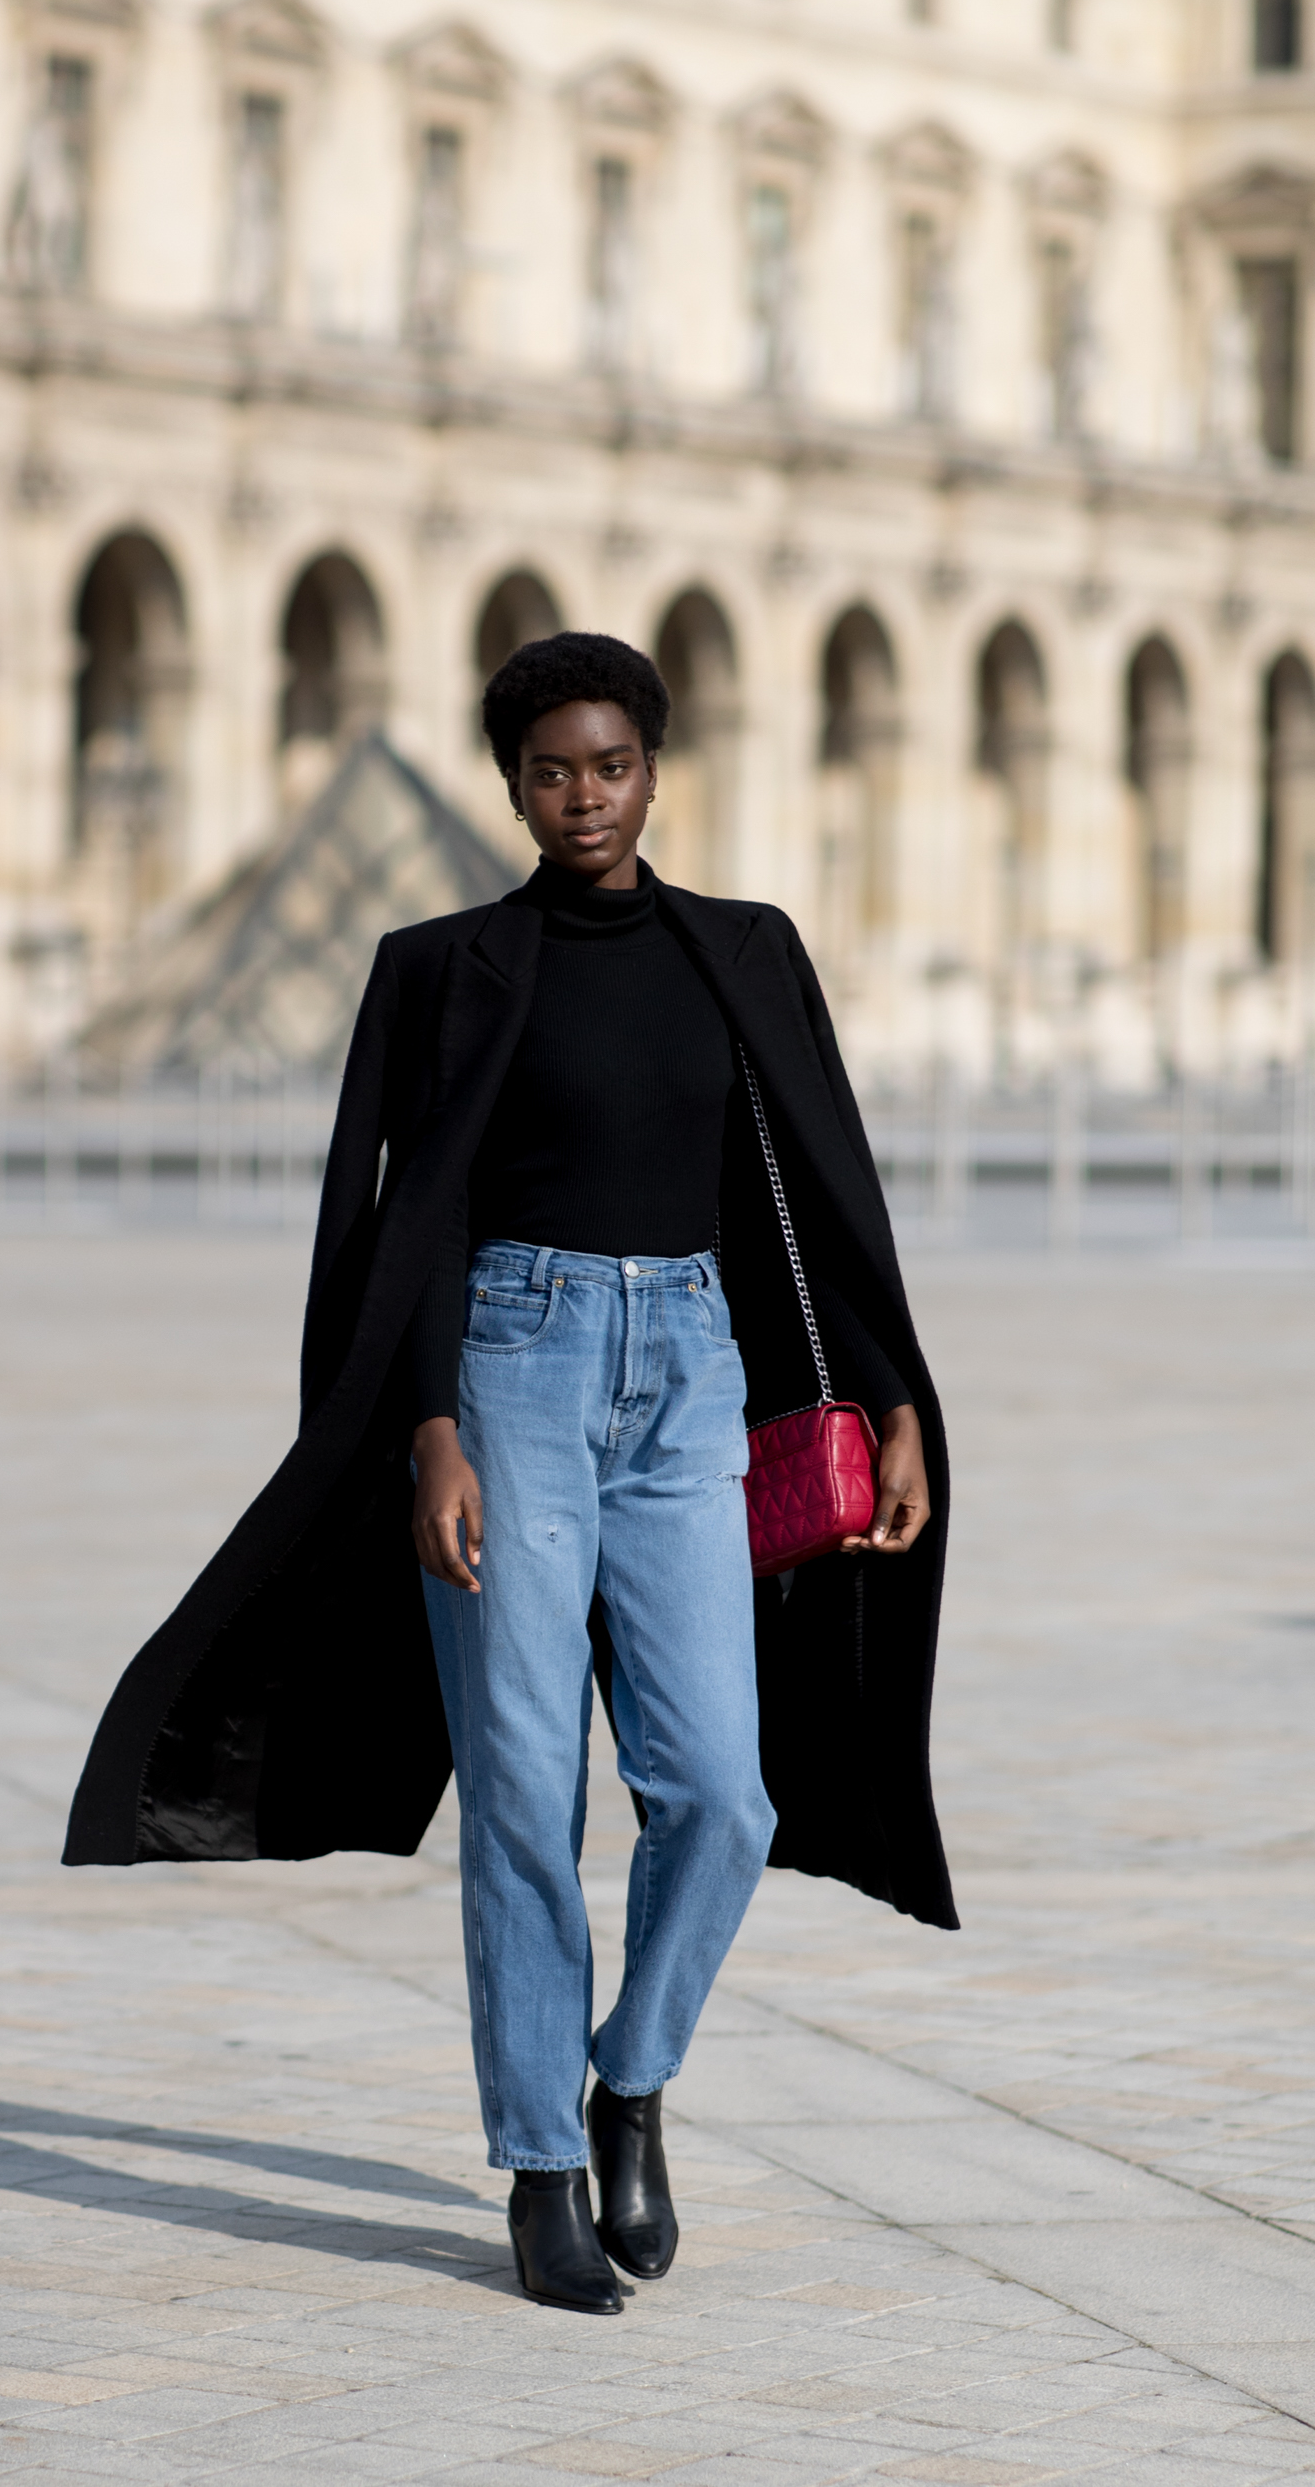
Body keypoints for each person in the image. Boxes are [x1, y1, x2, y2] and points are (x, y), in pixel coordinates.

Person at [65, 631, 956, 2319]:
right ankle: (545, 2165)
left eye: (610, 764)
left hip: (695, 1376)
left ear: (653, 768)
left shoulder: (742, 954)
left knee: (721, 1795)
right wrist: (428, 1433)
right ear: (511, 786)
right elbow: (399, 1225)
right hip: (514, 1369)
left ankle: (632, 2078)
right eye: (550, 771)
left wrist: (894, 1394)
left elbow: (822, 1197)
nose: (584, 797)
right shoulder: (441, 964)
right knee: (527, 1797)